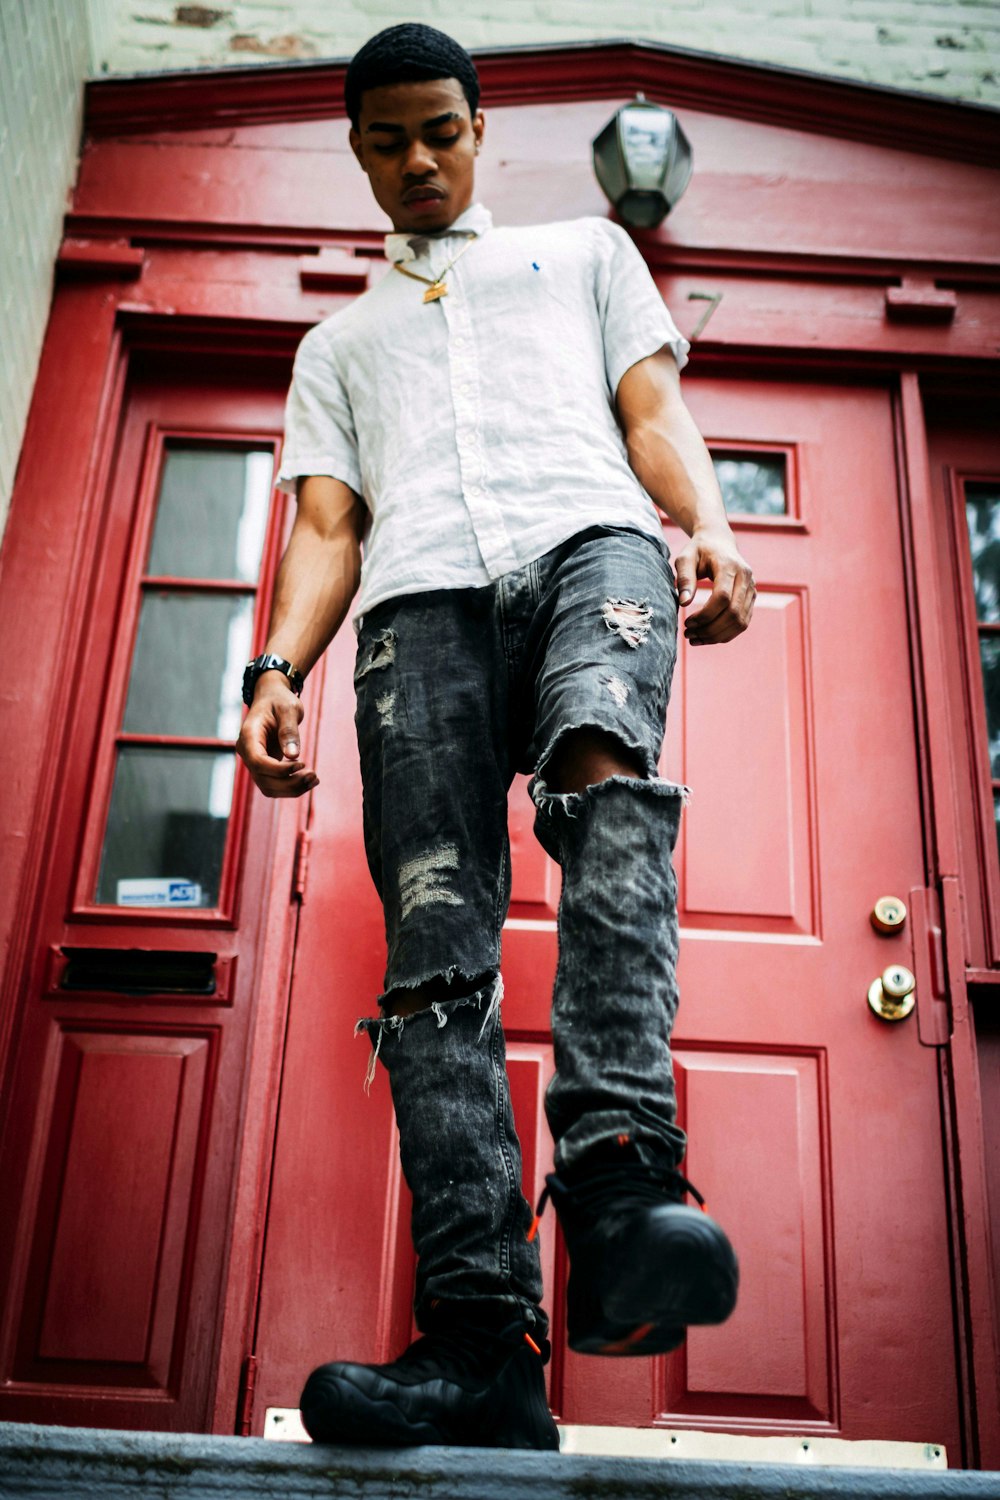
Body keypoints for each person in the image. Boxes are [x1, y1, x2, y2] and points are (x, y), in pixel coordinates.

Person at [237, 22, 754, 1452]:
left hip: (590, 544)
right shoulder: (335, 345)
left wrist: (707, 526)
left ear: (481, 128)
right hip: (417, 612)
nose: (417, 159)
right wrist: (273, 668)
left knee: (602, 780)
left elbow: (652, 413)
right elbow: (328, 528)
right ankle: (481, 1339)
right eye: (388, 138)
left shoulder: (584, 254)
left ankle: (622, 1180)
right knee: (435, 954)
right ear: (359, 151)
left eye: (441, 131)